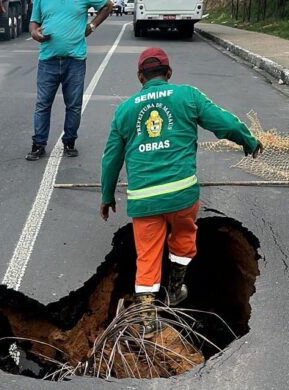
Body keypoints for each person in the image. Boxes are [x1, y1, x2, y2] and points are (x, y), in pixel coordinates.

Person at [99, 47, 263, 338]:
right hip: (182, 195)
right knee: (183, 241)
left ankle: (147, 318)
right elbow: (223, 122)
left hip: (144, 199)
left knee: (147, 256)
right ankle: (175, 289)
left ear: (140, 77)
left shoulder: (125, 110)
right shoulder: (188, 96)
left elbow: (111, 157)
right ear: (169, 74)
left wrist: (107, 195)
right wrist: (248, 141)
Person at [26, 0, 114, 161]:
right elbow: (34, 22)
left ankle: (69, 142)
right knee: (42, 104)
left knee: (73, 105)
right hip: (48, 60)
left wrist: (92, 26)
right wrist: (34, 33)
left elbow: (108, 5)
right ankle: (39, 144)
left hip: (75, 60)